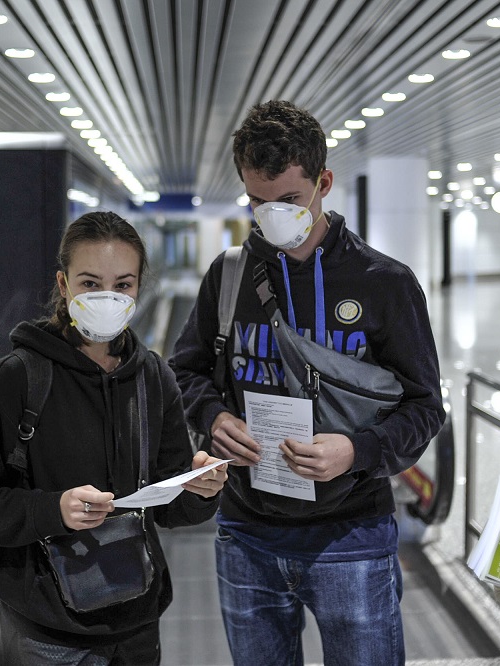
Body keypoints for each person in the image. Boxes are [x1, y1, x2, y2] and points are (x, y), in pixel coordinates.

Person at [168, 99, 446, 665]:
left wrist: (357, 450)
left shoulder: (383, 283)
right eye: (257, 202)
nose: (272, 216)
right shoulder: (229, 276)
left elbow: (424, 406)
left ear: (324, 182)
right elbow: (186, 371)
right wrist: (214, 419)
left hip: (353, 536)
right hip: (246, 531)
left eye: (289, 200)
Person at [0, 211, 228, 665]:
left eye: (123, 285)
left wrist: (199, 489)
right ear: (63, 285)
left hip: (135, 619)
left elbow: (172, 507)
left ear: (139, 289)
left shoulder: (153, 377)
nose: (107, 298)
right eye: (91, 284)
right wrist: (53, 509)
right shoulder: (19, 378)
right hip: (46, 630)